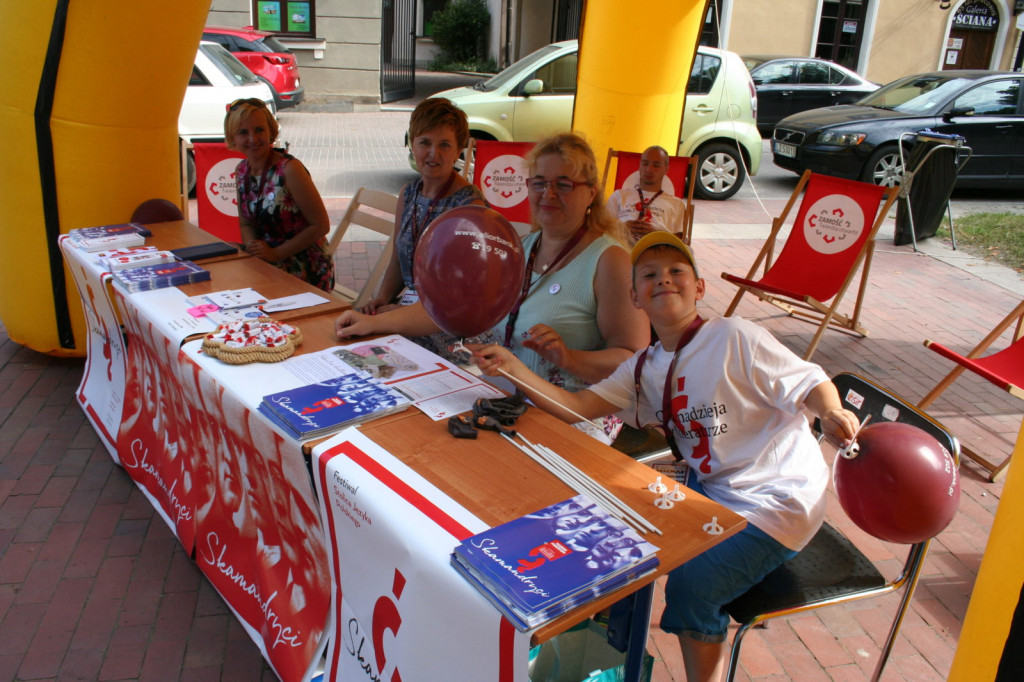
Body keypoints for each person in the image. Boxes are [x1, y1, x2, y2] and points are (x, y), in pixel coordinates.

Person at [471, 231, 860, 682]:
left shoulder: (735, 336)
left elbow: (809, 381)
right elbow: (575, 409)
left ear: (699, 288)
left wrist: (830, 410)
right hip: (715, 491)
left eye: (678, 271)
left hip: (779, 498)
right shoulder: (643, 369)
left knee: (693, 587)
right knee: (613, 535)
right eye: (650, 274)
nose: (665, 280)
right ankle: (608, 652)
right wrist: (514, 368)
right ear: (635, 296)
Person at [497, 132, 650, 440]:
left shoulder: (610, 261)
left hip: (575, 418)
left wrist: (568, 358)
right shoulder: (524, 247)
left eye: (563, 185)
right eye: (539, 183)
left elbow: (636, 362)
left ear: (591, 193)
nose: (548, 194)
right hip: (512, 404)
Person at [334, 98, 491, 360]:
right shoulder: (409, 193)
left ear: (459, 150)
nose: (433, 153)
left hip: (448, 326)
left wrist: (394, 316)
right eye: (425, 142)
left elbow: (457, 299)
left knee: (371, 358)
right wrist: (382, 299)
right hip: (405, 313)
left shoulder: (469, 207)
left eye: (444, 145)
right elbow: (398, 257)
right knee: (349, 348)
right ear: (412, 144)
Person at [225, 97, 334, 292]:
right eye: (243, 132)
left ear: (271, 132)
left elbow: (321, 225)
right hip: (268, 263)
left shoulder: (290, 169)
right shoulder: (241, 171)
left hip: (306, 268)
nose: (252, 139)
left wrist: (275, 254)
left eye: (259, 130)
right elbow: (246, 223)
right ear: (233, 137)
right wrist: (253, 249)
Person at [606, 146, 688, 243]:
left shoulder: (676, 204)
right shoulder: (619, 195)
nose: (649, 169)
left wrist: (658, 234)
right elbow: (602, 226)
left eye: (656, 165)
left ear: (666, 169)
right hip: (621, 248)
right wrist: (623, 227)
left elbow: (680, 241)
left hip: (656, 251)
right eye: (645, 164)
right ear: (639, 166)